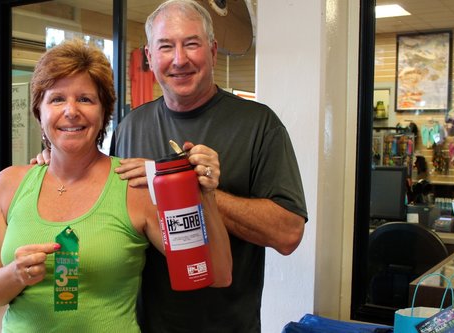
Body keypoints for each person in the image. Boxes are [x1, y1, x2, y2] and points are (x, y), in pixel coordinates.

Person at [0, 39, 231, 333]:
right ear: (39, 112)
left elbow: (216, 273)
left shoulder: (133, 186)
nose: (71, 111)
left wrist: (207, 195)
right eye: (57, 99)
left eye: (85, 99)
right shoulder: (9, 183)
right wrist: (15, 274)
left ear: (103, 114)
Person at [111, 1, 308, 332]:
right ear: (149, 57)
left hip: (228, 325)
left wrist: (199, 192)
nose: (179, 59)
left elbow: (288, 233)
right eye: (166, 47)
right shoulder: (131, 126)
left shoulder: (259, 125)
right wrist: (50, 161)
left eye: (191, 44)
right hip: (144, 324)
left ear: (213, 51)